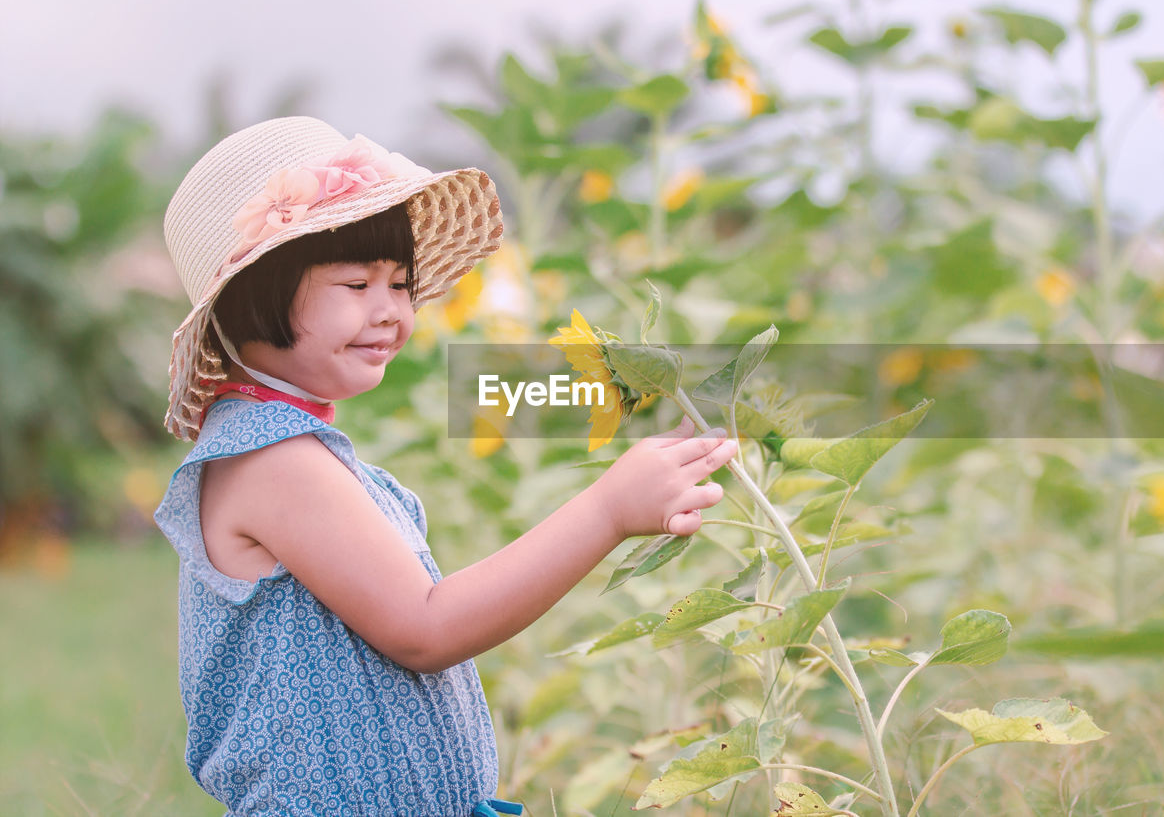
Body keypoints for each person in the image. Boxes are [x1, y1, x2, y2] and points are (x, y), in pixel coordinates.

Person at [153, 116, 737, 816]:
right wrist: (608, 510)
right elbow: (425, 628)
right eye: (355, 283)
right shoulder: (273, 461)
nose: (391, 312)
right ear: (253, 296)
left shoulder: (295, 450)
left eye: (399, 283)